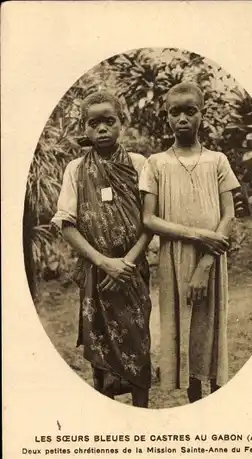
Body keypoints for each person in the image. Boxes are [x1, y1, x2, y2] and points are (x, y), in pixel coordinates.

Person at [139, 82, 240, 403]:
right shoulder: (156, 163)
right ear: (165, 116)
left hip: (213, 259)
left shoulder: (218, 160)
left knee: (209, 328)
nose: (182, 118)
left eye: (190, 111)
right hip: (174, 258)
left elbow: (229, 216)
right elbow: (149, 219)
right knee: (182, 329)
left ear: (202, 114)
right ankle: (194, 398)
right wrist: (199, 236)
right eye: (175, 112)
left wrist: (207, 262)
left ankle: (214, 397)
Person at [51, 90, 152, 407]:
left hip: (133, 272)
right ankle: (104, 409)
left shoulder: (139, 164)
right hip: (97, 273)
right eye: (94, 123)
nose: (102, 129)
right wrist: (104, 262)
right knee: (99, 347)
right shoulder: (75, 169)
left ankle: (141, 411)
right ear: (84, 127)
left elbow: (150, 222)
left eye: (110, 121)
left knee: (138, 342)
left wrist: (126, 263)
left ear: (122, 122)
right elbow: (66, 223)